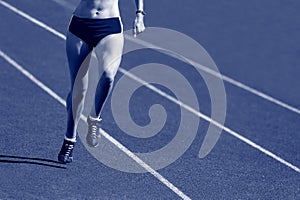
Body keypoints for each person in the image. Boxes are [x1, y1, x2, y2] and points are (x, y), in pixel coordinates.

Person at [58, 0, 146, 163]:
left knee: (108, 75)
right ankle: (69, 138)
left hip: (109, 26)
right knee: (78, 90)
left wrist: (139, 14)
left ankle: (94, 119)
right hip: (80, 25)